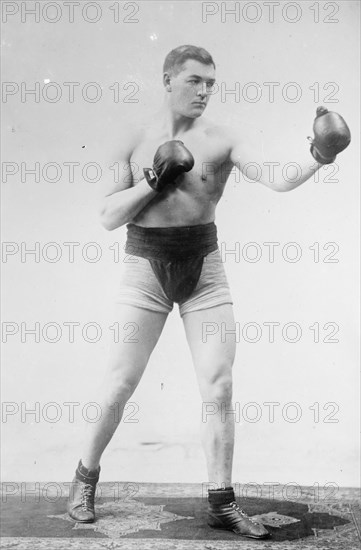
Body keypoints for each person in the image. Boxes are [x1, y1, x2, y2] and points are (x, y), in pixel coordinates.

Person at [67, 45, 351, 539]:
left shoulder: (222, 140)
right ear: (167, 79)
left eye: (211, 84)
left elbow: (277, 181)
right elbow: (109, 217)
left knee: (218, 385)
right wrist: (156, 177)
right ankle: (84, 479)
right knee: (120, 383)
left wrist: (318, 156)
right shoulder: (133, 138)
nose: (204, 92)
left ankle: (222, 501)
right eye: (195, 80)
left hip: (205, 269)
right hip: (144, 268)